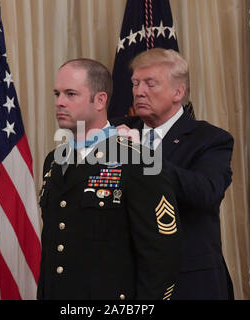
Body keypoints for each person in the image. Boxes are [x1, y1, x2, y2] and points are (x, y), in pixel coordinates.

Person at [37, 58, 182, 300]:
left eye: (71, 94)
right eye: (57, 94)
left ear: (100, 100)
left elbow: (162, 256)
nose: (60, 102)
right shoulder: (54, 160)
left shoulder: (138, 161)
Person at [111, 48, 235, 300]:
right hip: (123, 280)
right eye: (135, 83)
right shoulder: (112, 131)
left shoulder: (210, 139)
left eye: (150, 83)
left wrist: (142, 156)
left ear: (178, 92)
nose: (139, 91)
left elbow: (205, 192)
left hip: (186, 281)